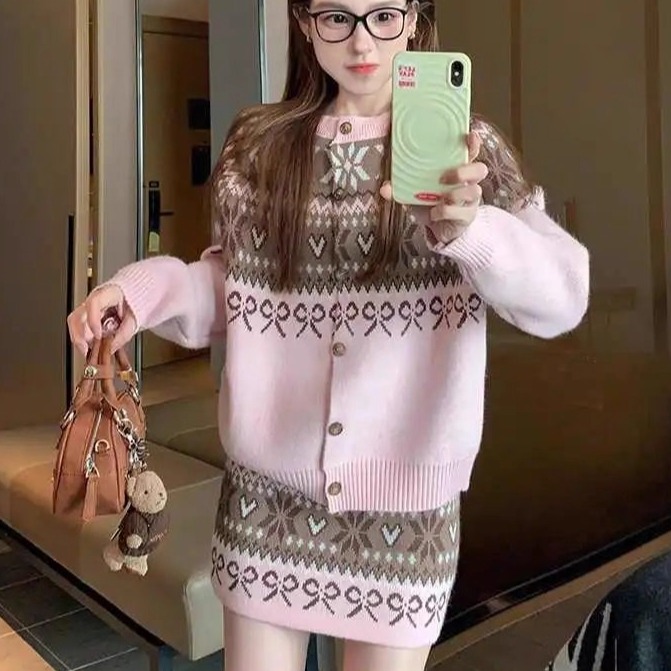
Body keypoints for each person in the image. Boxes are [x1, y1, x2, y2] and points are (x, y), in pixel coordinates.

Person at [67, 1, 590, 669]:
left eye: (384, 15)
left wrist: (473, 231)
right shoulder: (259, 145)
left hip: (406, 520)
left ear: (415, 17)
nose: (362, 42)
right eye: (338, 17)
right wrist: (139, 294)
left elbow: (563, 297)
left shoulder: (471, 151)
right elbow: (234, 287)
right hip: (265, 507)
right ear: (304, 21)